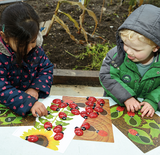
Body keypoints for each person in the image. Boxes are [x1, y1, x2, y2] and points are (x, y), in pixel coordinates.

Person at [99, 4, 160, 118]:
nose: (129, 52)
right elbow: (107, 76)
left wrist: (153, 101)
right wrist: (126, 97)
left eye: (136, 49)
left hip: (148, 112)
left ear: (155, 47)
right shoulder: (116, 56)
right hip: (116, 104)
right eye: (125, 44)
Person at [0, 2, 54, 117]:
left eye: (33, 41)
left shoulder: (36, 50)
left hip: (32, 102)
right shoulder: (1, 57)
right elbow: (2, 89)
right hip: (6, 107)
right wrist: (28, 102)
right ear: (5, 37)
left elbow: (46, 68)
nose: (29, 48)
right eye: (22, 45)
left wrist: (35, 88)